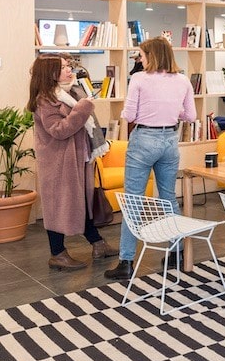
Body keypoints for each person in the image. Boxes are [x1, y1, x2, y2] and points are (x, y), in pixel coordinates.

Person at [105, 38, 197, 280]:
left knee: (133, 202)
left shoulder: (139, 79)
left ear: (152, 55)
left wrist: (149, 110)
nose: (140, 59)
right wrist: (170, 110)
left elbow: (129, 115)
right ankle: (176, 253)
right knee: (168, 198)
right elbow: (191, 115)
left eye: (142, 55)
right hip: (170, 141)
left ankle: (126, 262)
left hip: (143, 140)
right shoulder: (183, 80)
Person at [27, 55, 117, 271]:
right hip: (58, 164)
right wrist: (83, 108)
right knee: (58, 206)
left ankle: (98, 244)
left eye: (68, 66)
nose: (69, 70)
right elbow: (59, 130)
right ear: (50, 73)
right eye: (64, 67)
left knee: (81, 202)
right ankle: (57, 254)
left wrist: (82, 106)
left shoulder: (71, 92)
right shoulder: (44, 100)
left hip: (77, 159)